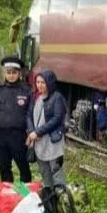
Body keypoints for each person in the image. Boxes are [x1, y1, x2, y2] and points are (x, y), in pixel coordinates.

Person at [0, 56, 33, 183]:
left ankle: (25, 196)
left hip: (19, 136)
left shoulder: (27, 90)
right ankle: (8, 196)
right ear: (4, 73)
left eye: (14, 73)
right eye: (8, 72)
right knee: (4, 167)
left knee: (23, 167)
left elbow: (31, 113)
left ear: (19, 73)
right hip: (0, 136)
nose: (11, 76)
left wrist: (30, 132)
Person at [26, 69, 67, 197]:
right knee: (45, 173)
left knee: (56, 173)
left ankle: (62, 201)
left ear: (49, 82)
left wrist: (38, 132)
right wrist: (31, 131)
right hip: (38, 141)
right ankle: (50, 201)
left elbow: (57, 118)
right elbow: (28, 115)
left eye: (43, 82)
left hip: (52, 141)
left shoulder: (57, 97)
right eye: (37, 82)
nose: (39, 85)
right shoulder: (35, 97)